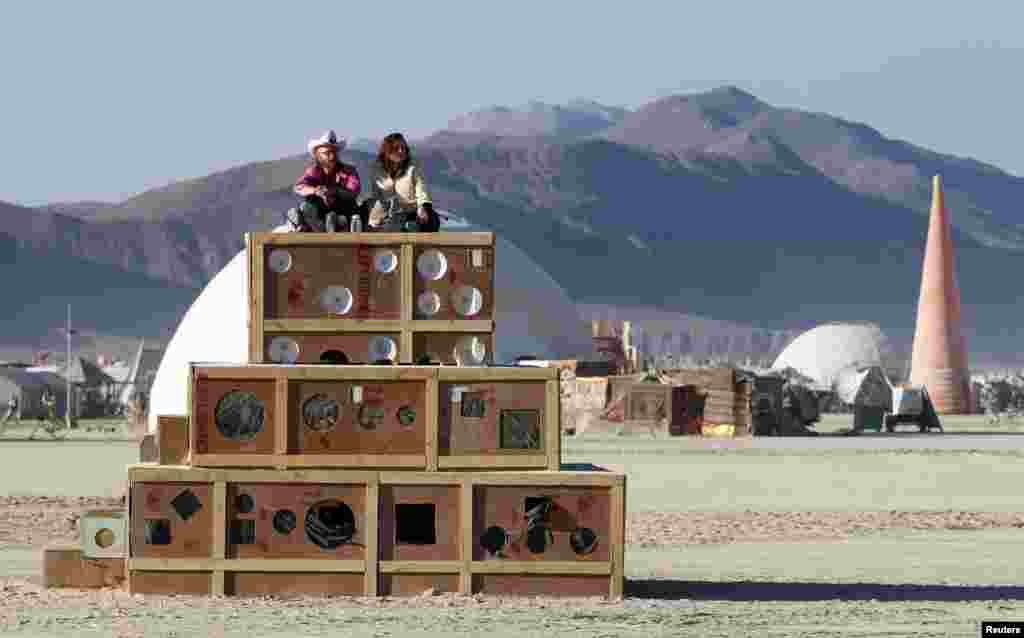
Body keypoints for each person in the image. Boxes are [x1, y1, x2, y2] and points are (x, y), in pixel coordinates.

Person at [290, 130, 364, 232]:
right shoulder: (313, 171)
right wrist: (316, 191)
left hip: (343, 209)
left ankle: (339, 224)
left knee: (353, 207)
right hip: (320, 211)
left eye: (334, 152)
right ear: (317, 156)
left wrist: (334, 191)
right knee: (307, 206)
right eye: (327, 153)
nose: (332, 156)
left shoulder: (348, 171)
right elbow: (299, 187)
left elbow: (354, 190)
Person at [367, 133, 440, 232]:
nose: (401, 151)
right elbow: (375, 197)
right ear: (387, 151)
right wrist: (375, 218)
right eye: (396, 148)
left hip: (413, 212)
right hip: (388, 215)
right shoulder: (376, 170)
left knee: (430, 220)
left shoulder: (413, 167)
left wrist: (422, 207)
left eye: (403, 148)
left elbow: (421, 189)